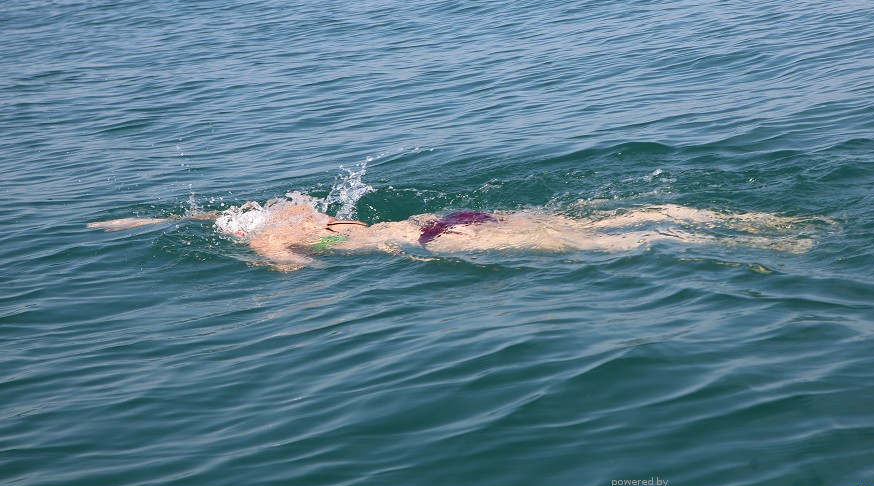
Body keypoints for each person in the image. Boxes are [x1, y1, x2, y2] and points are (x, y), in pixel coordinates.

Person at [89, 195, 824, 270]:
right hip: (445, 219)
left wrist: (267, 259)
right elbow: (192, 212)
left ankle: (759, 250)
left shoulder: (266, 235)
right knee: (603, 220)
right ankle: (721, 219)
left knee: (601, 247)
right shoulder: (297, 204)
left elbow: (294, 273)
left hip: (433, 245)